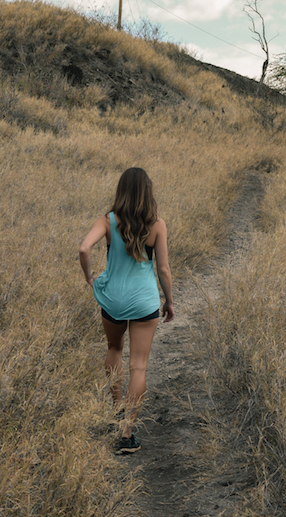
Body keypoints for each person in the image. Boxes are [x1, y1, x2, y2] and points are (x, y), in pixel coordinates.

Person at [79, 167, 174, 454]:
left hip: (113, 300)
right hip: (144, 302)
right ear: (148, 191)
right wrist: (169, 301)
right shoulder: (157, 224)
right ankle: (127, 433)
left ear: (121, 190)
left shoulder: (107, 220)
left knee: (114, 348)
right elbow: (164, 269)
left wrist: (89, 278)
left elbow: (84, 249)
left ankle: (116, 407)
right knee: (139, 366)